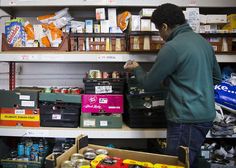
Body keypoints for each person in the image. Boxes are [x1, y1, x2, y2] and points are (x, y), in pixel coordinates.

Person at [124, 3, 221, 168]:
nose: (161, 36)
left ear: (164, 26)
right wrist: (179, 82)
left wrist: (137, 69)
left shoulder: (172, 47)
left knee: (176, 164)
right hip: (205, 116)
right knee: (191, 160)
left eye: (159, 31)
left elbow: (149, 84)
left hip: (186, 118)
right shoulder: (203, 42)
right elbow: (216, 78)